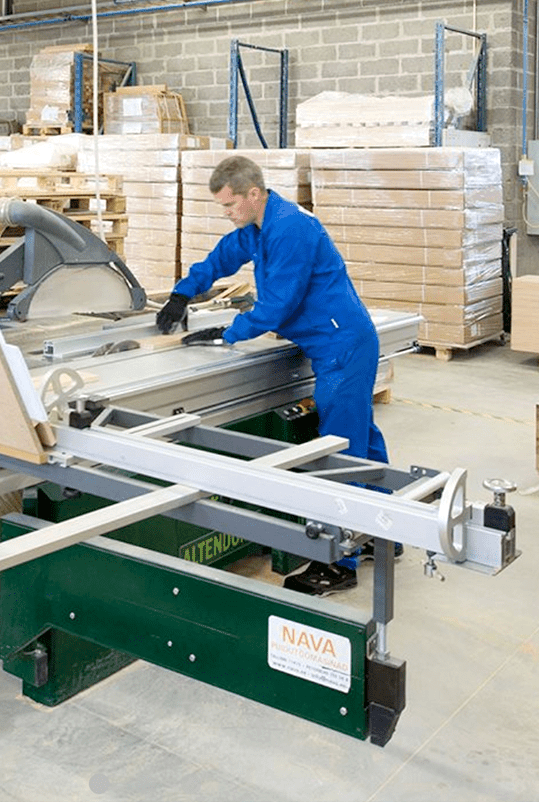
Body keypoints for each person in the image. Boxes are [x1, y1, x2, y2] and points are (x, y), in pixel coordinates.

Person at [156, 154, 388, 593]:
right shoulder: (261, 226)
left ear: (253, 194)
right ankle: (382, 528)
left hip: (341, 346)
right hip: (334, 343)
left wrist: (229, 333)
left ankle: (342, 561)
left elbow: (278, 304)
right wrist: (183, 292)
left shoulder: (289, 230)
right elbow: (225, 255)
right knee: (363, 438)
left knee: (340, 453)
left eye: (230, 206)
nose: (227, 214)